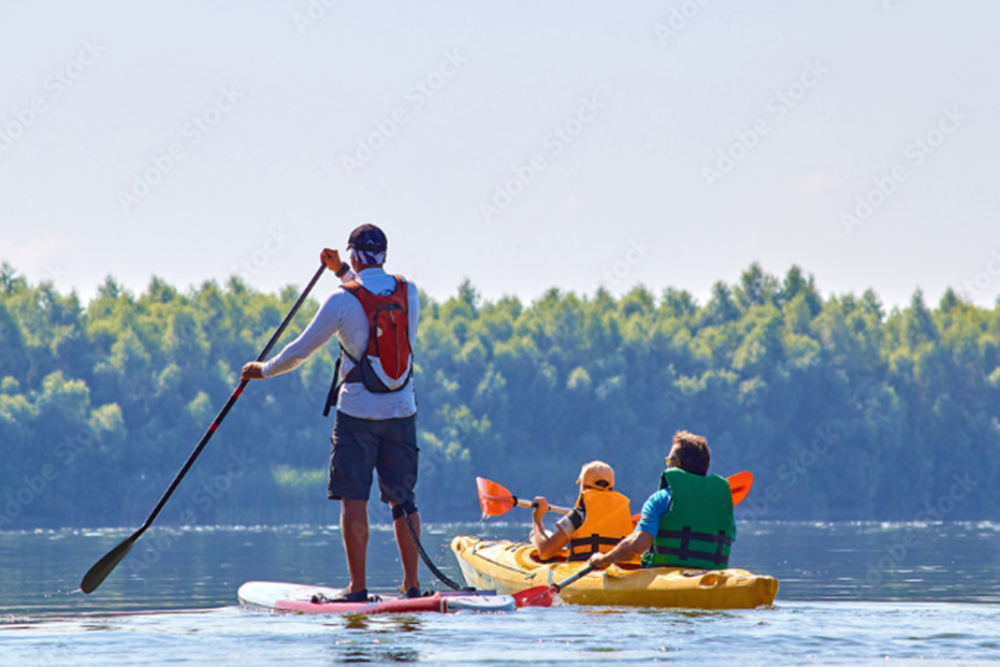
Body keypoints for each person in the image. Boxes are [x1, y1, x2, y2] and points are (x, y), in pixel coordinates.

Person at [241, 224, 422, 602]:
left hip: (357, 413)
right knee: (403, 500)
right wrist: (342, 270)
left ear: (354, 255)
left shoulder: (340, 301)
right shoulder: (409, 292)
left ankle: (357, 589)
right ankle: (411, 586)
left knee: (354, 497)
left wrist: (263, 370)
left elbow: (299, 351)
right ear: (385, 255)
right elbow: (373, 290)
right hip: (402, 409)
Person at [587, 431, 735, 571]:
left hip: (668, 577)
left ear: (676, 464)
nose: (666, 464)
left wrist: (603, 559)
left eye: (668, 461)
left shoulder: (661, 500)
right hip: (712, 578)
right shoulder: (722, 505)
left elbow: (637, 546)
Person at [531, 461, 635, 562]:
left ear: (584, 487)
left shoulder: (579, 515)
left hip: (587, 571)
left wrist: (537, 519)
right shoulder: (623, 516)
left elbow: (544, 553)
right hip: (619, 570)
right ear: (611, 488)